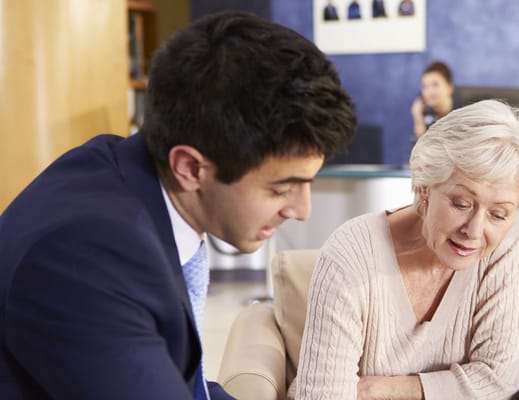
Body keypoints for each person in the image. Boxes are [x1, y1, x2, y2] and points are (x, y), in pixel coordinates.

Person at [0, 11, 356, 400]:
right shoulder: (85, 256)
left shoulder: (123, 172)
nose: (301, 210)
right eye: (281, 188)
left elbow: (189, 385)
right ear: (189, 168)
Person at [290, 100, 519, 400]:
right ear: (424, 187)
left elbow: (501, 382)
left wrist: (373, 389)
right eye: (461, 204)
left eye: (498, 214)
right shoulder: (350, 254)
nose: (474, 231)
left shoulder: (508, 239)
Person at [410, 61, 454, 141]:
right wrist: (418, 120)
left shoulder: (463, 112)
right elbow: (418, 151)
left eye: (435, 84)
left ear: (449, 87)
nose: (429, 92)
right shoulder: (426, 115)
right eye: (425, 86)